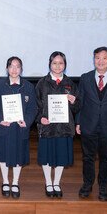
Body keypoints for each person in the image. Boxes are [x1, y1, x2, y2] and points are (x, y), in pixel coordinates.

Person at [76, 47, 107, 202]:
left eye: (104, 58)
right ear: (94, 59)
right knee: (87, 157)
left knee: (106, 158)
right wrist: (78, 122)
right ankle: (87, 185)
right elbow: (80, 102)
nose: (100, 61)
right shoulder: (85, 78)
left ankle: (103, 187)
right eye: (97, 58)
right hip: (88, 124)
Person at [0, 57, 37, 199]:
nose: (14, 69)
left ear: (21, 69)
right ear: (7, 68)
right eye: (11, 66)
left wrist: (27, 121)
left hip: (20, 127)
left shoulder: (28, 86)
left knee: (19, 155)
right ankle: (5, 181)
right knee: (3, 154)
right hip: (4, 126)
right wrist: (0, 120)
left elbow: (33, 108)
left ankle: (15, 182)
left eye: (17, 66)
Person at [36, 51, 79, 198]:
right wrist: (40, 118)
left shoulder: (70, 84)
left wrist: (74, 102)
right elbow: (36, 105)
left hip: (64, 128)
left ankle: (56, 183)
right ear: (49, 64)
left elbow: (76, 108)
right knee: (46, 156)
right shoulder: (42, 83)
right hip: (47, 127)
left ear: (65, 65)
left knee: (61, 156)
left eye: (61, 63)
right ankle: (48, 182)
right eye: (54, 63)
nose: (57, 66)